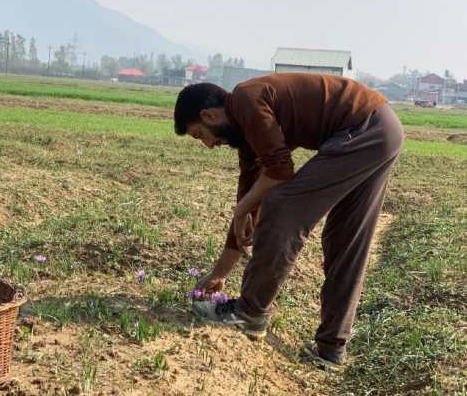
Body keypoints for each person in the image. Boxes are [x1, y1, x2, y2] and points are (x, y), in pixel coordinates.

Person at [173, 73, 404, 370]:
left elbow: (280, 171)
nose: (208, 144)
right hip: (384, 129)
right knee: (345, 240)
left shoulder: (245, 99)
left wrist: (244, 208)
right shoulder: (247, 138)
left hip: (362, 127)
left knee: (281, 206)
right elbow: (251, 192)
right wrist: (220, 272)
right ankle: (331, 349)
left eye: (199, 134)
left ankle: (250, 313)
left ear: (209, 115)